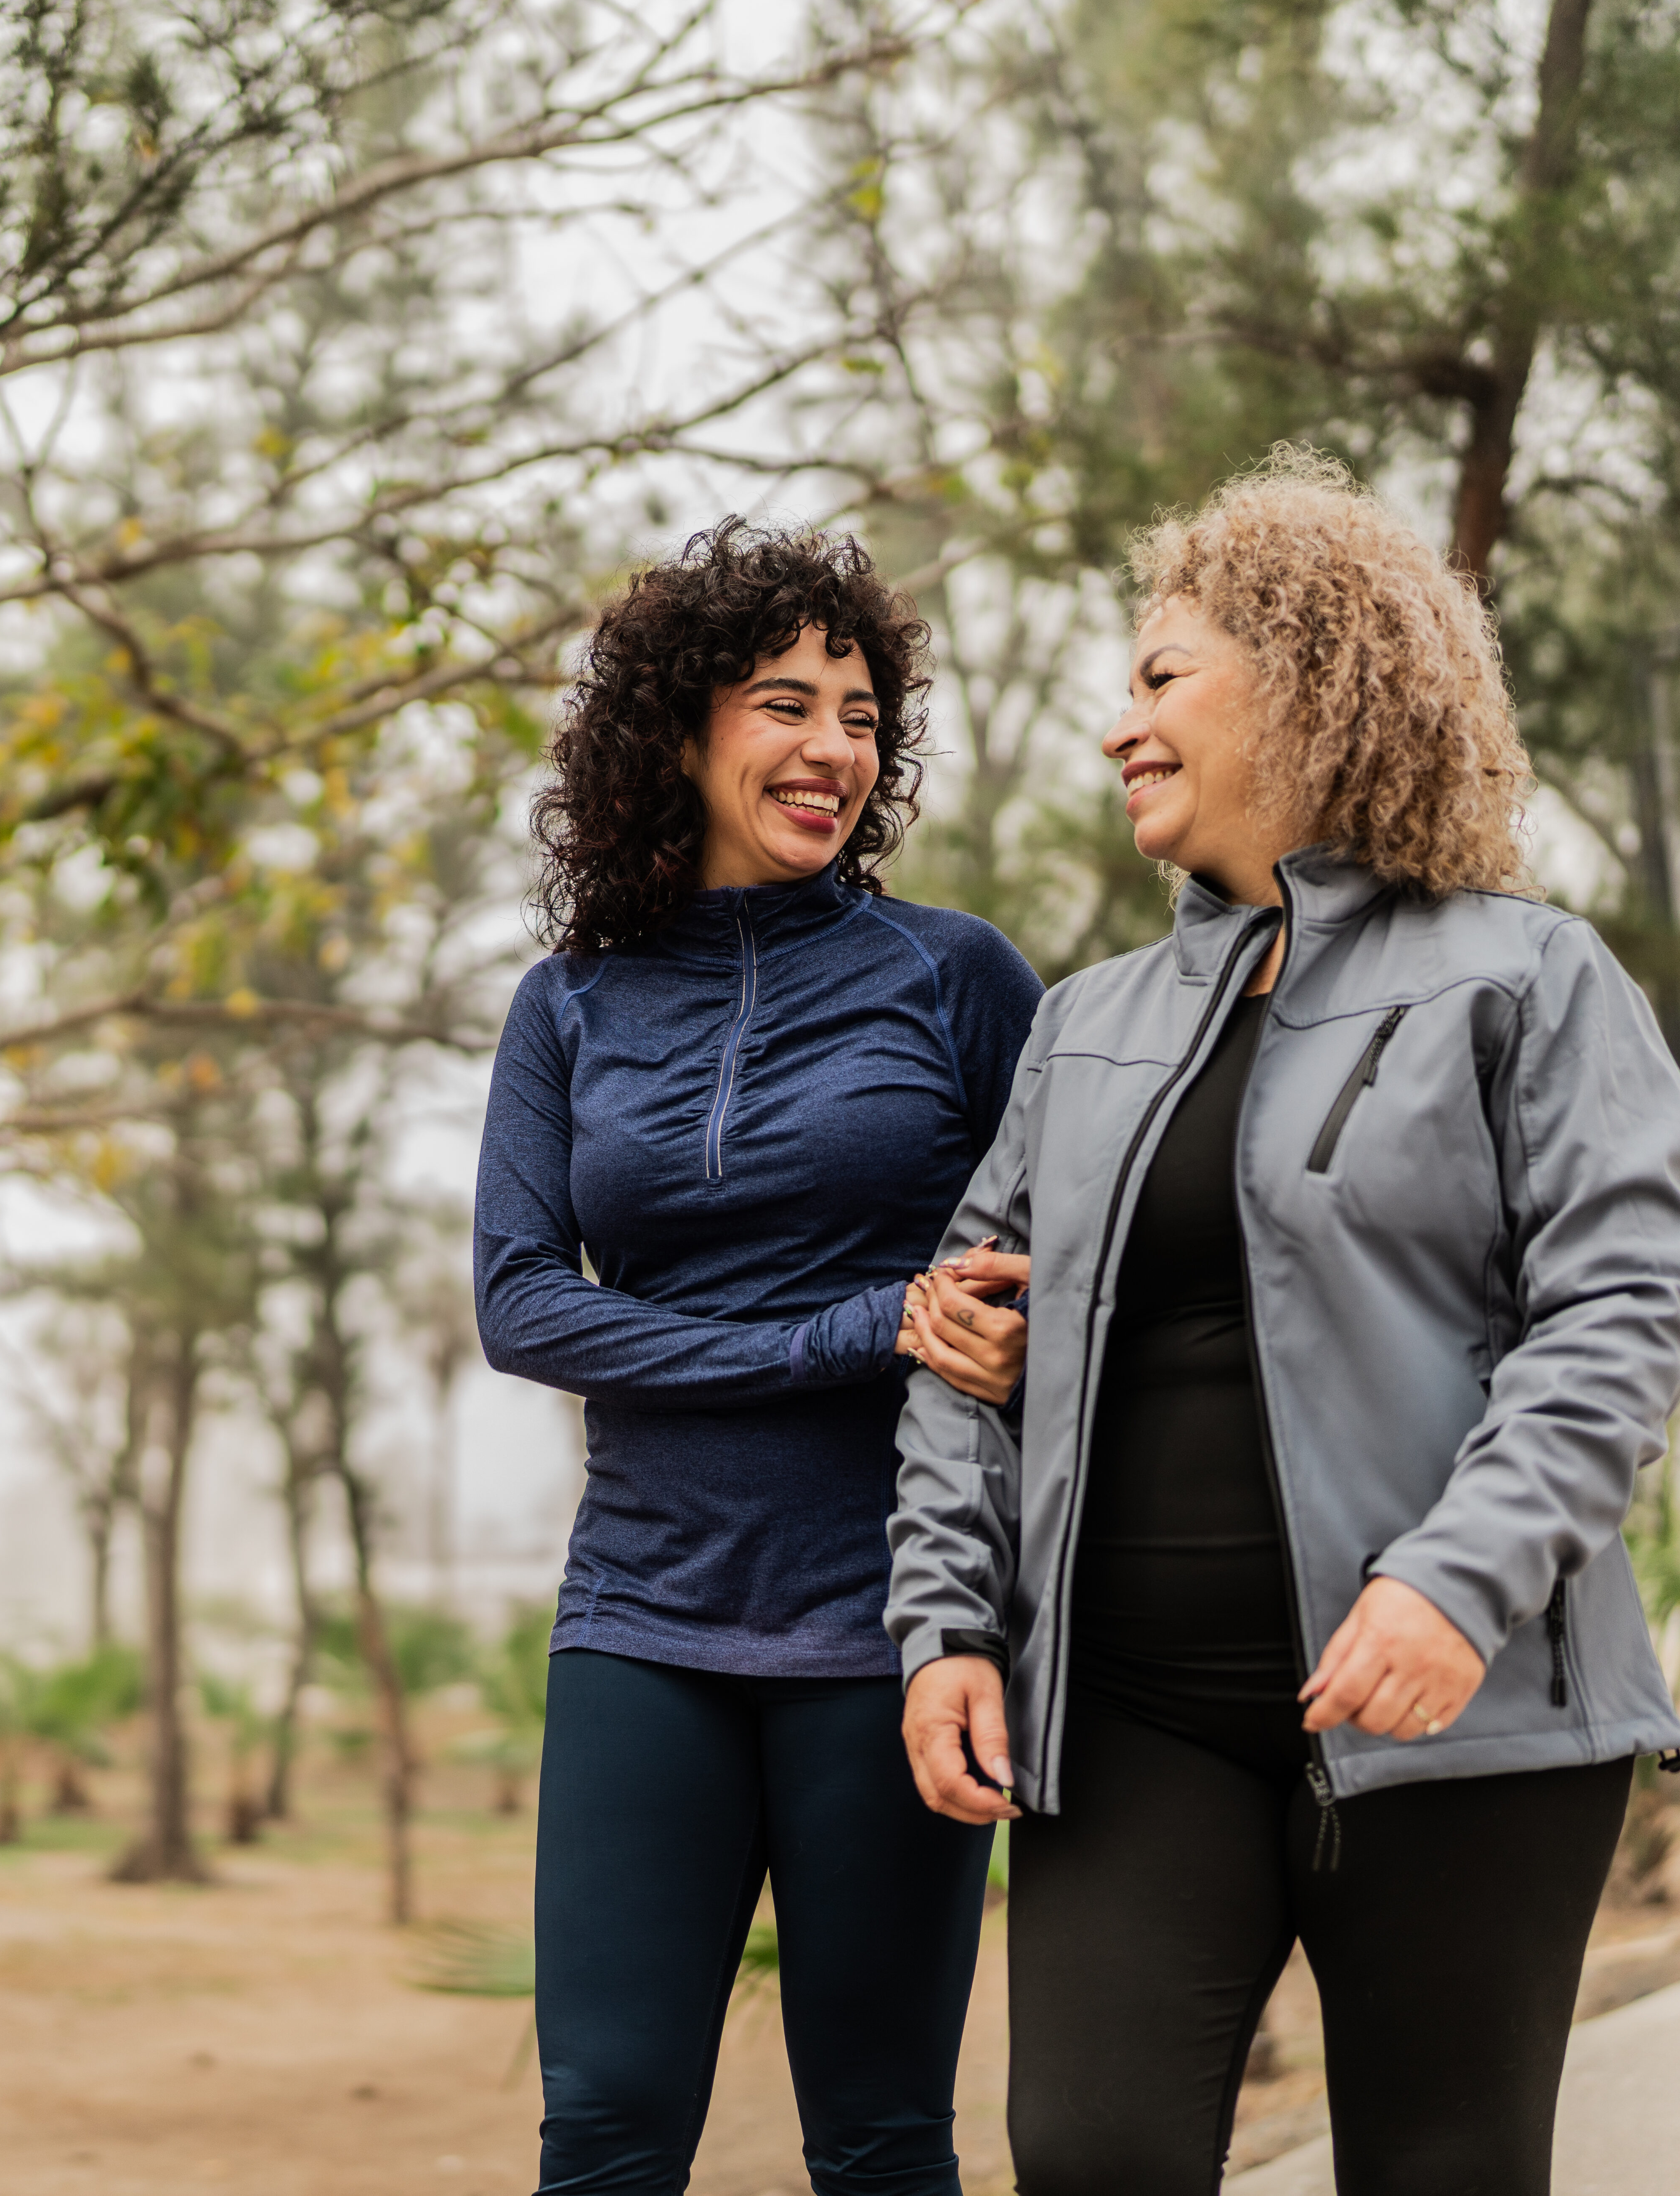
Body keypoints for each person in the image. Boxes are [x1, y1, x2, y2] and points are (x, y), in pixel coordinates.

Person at [886, 450, 1680, 2196]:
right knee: (1091, 2153)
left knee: (1443, 2168)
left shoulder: (1527, 978)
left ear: (1313, 681)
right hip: (1130, 1717)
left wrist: (1449, 1580)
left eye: (1162, 676)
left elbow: (1620, 1313)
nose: (1122, 724)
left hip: (1453, 1716)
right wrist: (947, 1616)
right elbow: (962, 1339)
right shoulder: (1084, 1024)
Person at [475, 517, 1046, 2196]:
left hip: (892, 1622)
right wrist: (855, 1324)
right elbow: (522, 1302)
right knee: (604, 2132)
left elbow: (1041, 1276)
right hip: (642, 1614)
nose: (832, 750)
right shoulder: (568, 1004)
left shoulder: (955, 977)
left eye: (861, 714)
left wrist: (972, 1352)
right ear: (679, 728)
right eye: (785, 703)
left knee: (878, 2142)